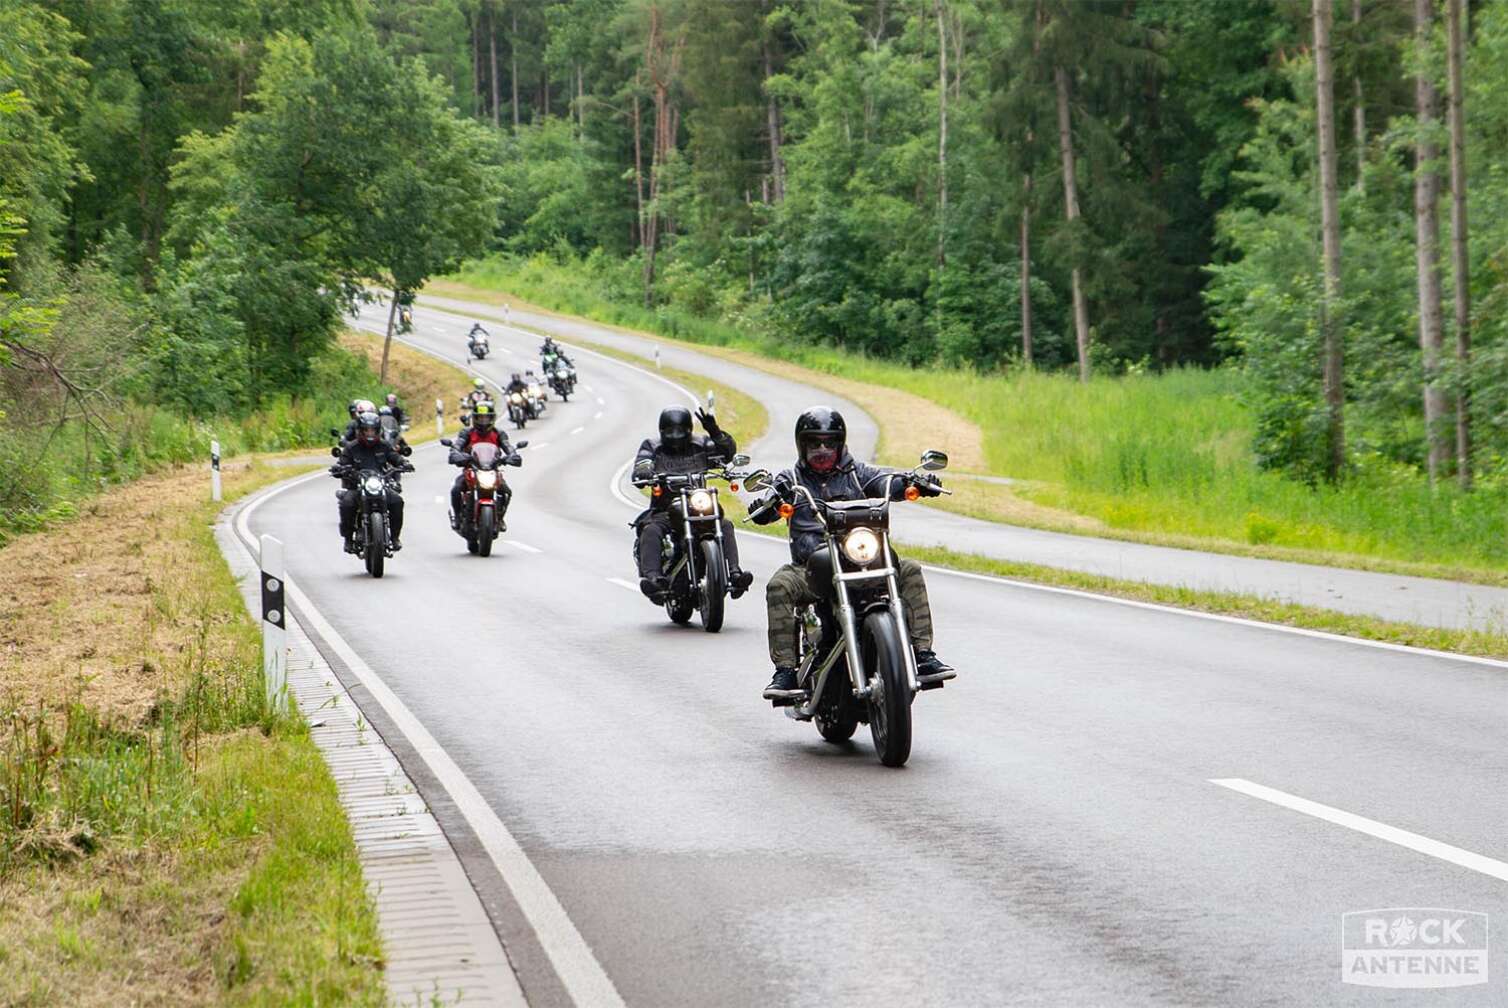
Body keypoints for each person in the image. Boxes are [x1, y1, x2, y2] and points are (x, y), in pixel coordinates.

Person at [751, 407, 954, 698]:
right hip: (810, 566)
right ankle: (785, 671)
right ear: (802, 445)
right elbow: (771, 503)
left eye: (829, 443)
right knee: (779, 585)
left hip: (861, 558)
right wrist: (768, 505)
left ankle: (922, 655)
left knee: (909, 569)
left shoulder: (858, 473)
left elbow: (885, 482)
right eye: (814, 443)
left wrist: (911, 483)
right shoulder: (791, 479)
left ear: (840, 443)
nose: (822, 450)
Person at [632, 405, 753, 602]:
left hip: (698, 504)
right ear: (662, 431)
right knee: (651, 530)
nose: (675, 434)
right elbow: (641, 465)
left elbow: (726, 454)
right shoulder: (652, 446)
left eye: (680, 430)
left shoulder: (702, 443)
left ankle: (734, 573)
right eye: (670, 430)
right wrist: (644, 473)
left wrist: (714, 431)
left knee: (725, 525)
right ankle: (654, 578)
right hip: (666, 508)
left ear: (689, 429)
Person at [333, 411, 412, 551]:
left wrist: (403, 463)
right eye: (366, 430)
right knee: (347, 504)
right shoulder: (351, 447)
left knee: (397, 501)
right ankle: (348, 539)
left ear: (378, 430)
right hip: (357, 486)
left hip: (379, 484)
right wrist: (340, 468)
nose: (370, 434)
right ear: (360, 430)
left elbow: (394, 456)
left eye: (373, 430)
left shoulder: (384, 445)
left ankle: (394, 537)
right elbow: (342, 462)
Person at [449, 401, 519, 531]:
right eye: (480, 418)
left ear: (492, 418)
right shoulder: (467, 433)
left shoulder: (498, 434)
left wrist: (512, 456)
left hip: (491, 470)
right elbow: (457, 446)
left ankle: (500, 517)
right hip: (472, 469)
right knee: (456, 489)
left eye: (486, 417)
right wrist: (456, 454)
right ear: (474, 418)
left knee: (506, 492)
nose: (483, 421)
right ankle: (458, 517)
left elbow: (508, 447)